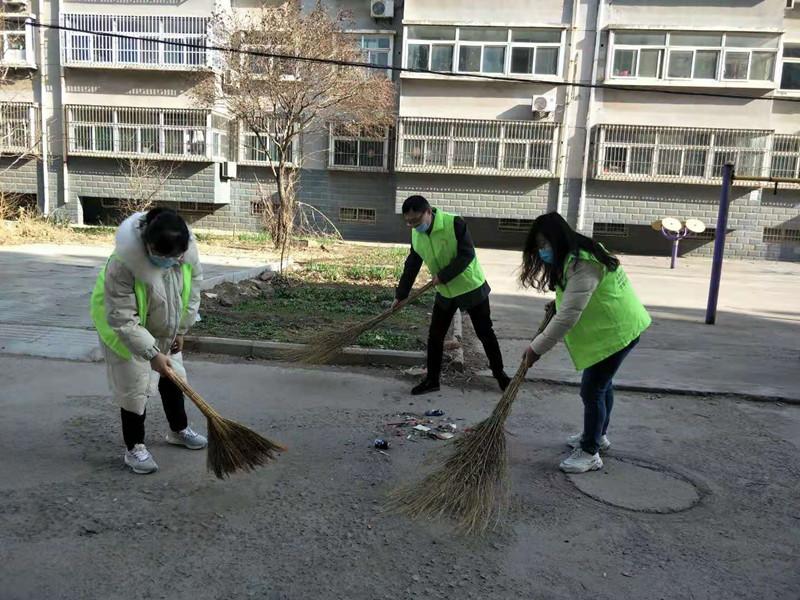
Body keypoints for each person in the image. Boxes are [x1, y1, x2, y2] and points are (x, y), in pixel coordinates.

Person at [519, 212, 651, 474]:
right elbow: (571, 300)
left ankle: (590, 452)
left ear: (558, 239)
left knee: (592, 390)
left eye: (545, 245)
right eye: (539, 246)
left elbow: (568, 316)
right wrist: (558, 302)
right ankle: (598, 436)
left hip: (617, 331)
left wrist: (536, 349)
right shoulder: (574, 255)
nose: (543, 251)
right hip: (613, 328)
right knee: (602, 386)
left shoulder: (584, 263)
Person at [90, 208, 206, 474]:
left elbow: (193, 289)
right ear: (148, 246)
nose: (174, 261)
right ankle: (135, 448)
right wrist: (152, 354)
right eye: (165, 257)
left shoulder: (186, 250)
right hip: (121, 330)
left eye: (177, 256)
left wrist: (181, 330)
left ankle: (178, 430)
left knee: (174, 377)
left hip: (163, 325)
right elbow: (122, 318)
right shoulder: (122, 264)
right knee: (134, 388)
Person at [393, 195, 510, 395]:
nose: (413, 225)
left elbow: (467, 254)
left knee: (485, 333)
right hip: (445, 292)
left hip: (470, 286)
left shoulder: (454, 223)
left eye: (416, 220)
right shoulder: (416, 235)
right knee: (435, 336)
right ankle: (432, 380)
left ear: (428, 212)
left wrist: (444, 275)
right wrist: (401, 294)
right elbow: (412, 264)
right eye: (409, 222)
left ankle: (501, 376)